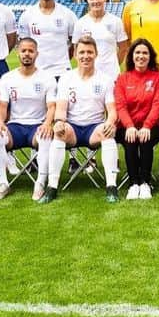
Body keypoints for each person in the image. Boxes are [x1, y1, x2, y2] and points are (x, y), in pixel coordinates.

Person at [41, 35, 120, 204]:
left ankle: (111, 186)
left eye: (90, 52)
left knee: (108, 134)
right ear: (75, 54)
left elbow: (112, 111)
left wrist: (110, 123)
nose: (86, 56)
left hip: (94, 128)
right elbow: (61, 108)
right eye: (82, 52)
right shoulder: (66, 78)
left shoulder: (105, 79)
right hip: (73, 128)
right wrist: (59, 122)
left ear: (96, 54)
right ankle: (52, 186)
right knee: (59, 134)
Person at [0, 37, 56, 201]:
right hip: (15, 127)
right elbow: (3, 105)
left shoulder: (47, 78)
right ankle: (3, 184)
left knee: (46, 137)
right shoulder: (7, 78)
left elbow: (52, 106)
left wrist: (48, 123)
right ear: (18, 53)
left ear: (36, 54)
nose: (27, 54)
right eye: (24, 51)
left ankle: (40, 183)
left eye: (31, 51)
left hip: (37, 126)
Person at [114, 39, 159, 200]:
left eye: (145, 53)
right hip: (127, 125)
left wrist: (146, 126)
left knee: (145, 139)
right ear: (132, 56)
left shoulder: (158, 78)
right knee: (130, 140)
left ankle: (145, 183)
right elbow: (120, 106)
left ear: (150, 57)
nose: (141, 56)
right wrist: (129, 126)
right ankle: (133, 184)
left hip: (151, 126)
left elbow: (158, 105)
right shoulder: (123, 78)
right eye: (137, 52)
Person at [16, 0, 77, 78]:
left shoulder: (68, 14)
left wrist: (65, 58)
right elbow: (23, 45)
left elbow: (75, 43)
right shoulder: (27, 15)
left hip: (62, 72)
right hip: (36, 72)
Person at [73, 0, 128, 82]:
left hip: (111, 76)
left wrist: (113, 64)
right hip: (89, 77)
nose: (96, 1)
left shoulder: (115, 21)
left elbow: (123, 48)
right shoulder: (80, 23)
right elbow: (76, 51)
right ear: (87, 0)